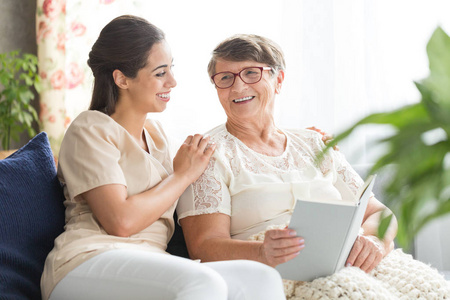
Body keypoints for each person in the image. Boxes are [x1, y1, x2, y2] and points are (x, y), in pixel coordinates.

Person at [40, 16, 286, 300]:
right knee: (202, 282)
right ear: (122, 79)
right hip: (88, 260)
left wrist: (298, 144)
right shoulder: (91, 129)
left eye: (171, 69)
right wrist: (182, 175)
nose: (173, 81)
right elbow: (120, 222)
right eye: (160, 73)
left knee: (260, 278)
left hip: (151, 262)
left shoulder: (156, 136)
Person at [177, 34, 398, 274]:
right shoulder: (206, 154)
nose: (238, 87)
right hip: (273, 273)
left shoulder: (314, 142)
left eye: (252, 73)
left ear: (278, 80)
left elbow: (379, 211)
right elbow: (203, 247)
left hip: (352, 266)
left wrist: (375, 241)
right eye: (226, 78)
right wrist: (261, 252)